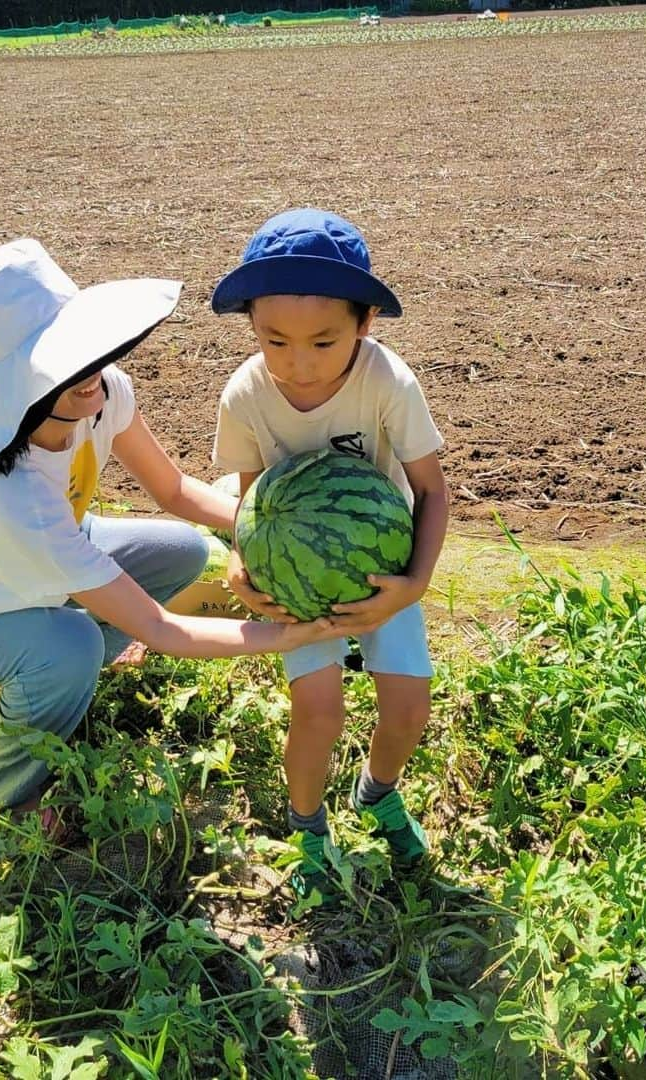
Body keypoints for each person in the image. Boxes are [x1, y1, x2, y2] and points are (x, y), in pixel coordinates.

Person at [0, 238, 341, 830]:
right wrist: (283, 637)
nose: (87, 371)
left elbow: (173, 491)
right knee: (70, 645)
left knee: (184, 551)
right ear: (19, 382)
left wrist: (268, 522)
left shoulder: (103, 391)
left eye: (82, 348)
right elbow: (164, 630)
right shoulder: (9, 495)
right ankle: (3, 801)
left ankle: (76, 675)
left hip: (34, 562)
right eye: (57, 362)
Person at [210, 208, 450, 904]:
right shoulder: (246, 395)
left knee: (407, 709)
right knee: (317, 712)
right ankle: (307, 824)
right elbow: (253, 505)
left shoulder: (387, 381)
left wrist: (411, 586)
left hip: (384, 570)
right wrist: (240, 564)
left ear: (364, 325)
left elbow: (432, 490)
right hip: (298, 585)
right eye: (274, 340)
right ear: (251, 326)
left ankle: (377, 795)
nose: (299, 363)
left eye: (324, 341)